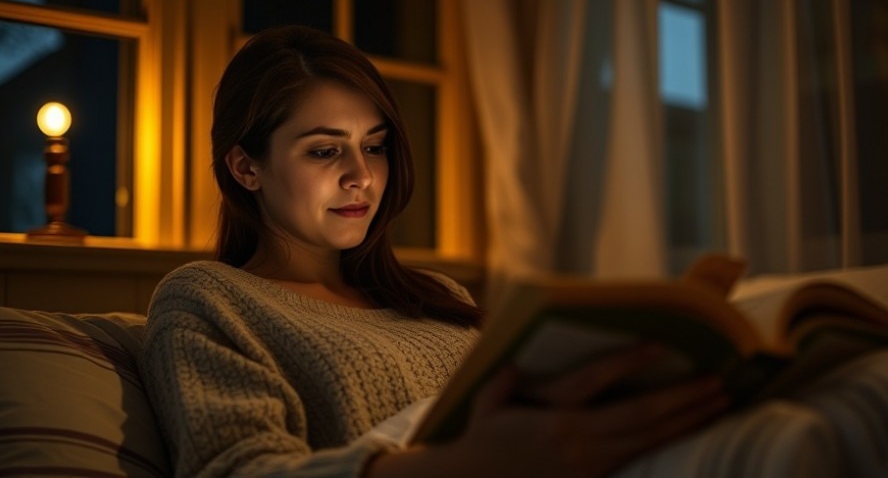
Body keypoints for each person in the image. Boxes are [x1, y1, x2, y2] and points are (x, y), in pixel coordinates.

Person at [139, 25, 728, 478]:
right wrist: (466, 465)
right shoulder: (209, 300)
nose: (362, 176)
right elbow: (241, 470)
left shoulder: (438, 295)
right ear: (246, 167)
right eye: (324, 151)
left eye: (374, 146)